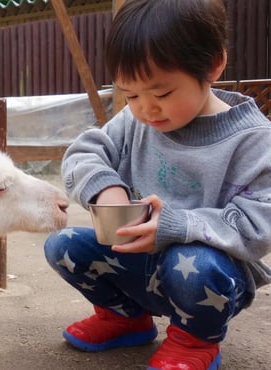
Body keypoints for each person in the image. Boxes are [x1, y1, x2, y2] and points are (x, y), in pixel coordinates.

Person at [43, 0, 271, 369]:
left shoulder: (254, 141)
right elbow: (84, 151)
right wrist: (106, 188)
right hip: (139, 261)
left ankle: (195, 341)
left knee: (193, 262)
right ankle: (124, 318)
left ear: (213, 65)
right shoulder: (137, 122)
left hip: (207, 276)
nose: (146, 109)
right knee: (62, 244)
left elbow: (260, 225)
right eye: (131, 95)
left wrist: (176, 226)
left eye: (161, 94)